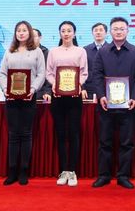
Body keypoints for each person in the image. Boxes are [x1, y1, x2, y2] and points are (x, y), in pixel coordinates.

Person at [88, 17, 135, 189]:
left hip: (128, 105)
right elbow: (96, 75)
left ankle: (123, 176)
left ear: (128, 31)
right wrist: (101, 95)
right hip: (106, 105)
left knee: (126, 143)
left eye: (122, 28)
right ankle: (104, 175)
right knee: (104, 142)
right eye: (115, 29)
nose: (119, 31)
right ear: (110, 32)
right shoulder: (103, 52)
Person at [0, 21, 46, 185]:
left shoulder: (37, 51)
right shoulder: (9, 51)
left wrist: (33, 89)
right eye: (18, 30)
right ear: (15, 33)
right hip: (11, 98)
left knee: (26, 134)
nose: (21, 33)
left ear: (29, 33)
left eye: (24, 30)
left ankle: (24, 171)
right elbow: (2, 74)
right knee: (13, 134)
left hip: (29, 97)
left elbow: (41, 74)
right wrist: (5, 89)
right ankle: (12, 171)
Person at [46, 21, 88, 187]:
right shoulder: (53, 51)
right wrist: (54, 84)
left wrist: (79, 84)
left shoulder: (81, 51)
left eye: (69, 31)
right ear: (60, 33)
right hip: (58, 96)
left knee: (74, 133)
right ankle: (63, 170)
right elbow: (49, 73)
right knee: (61, 133)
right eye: (63, 31)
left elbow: (84, 73)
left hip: (74, 97)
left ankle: (72, 171)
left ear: (74, 33)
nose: (66, 33)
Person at [83, 22, 109, 99]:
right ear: (92, 33)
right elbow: (82, 70)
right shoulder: (85, 50)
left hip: (107, 88)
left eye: (101, 30)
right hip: (89, 89)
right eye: (96, 30)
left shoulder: (112, 49)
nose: (98, 32)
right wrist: (82, 88)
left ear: (106, 33)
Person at [33, 28, 51, 102]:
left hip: (41, 92)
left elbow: (49, 73)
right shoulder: (23, 52)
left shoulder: (46, 52)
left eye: (34, 36)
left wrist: (47, 92)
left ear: (40, 37)